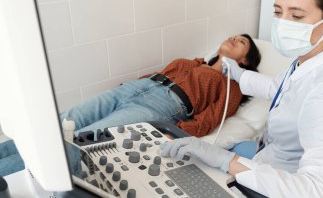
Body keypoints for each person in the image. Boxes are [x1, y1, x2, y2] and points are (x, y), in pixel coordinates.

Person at [160, 0, 323, 198]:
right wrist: (240, 75)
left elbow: (319, 190)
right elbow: (281, 89)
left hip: (284, 184)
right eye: (277, 11)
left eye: (296, 15)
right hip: (271, 154)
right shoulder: (315, 55)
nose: (282, 22)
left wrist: (227, 161)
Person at [60, 33, 261, 138]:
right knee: (69, 118)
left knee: (89, 137)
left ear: (244, 61)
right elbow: (162, 74)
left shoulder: (232, 86)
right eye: (234, 36)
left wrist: (174, 131)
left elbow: (209, 120)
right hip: (134, 88)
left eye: (241, 41)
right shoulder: (195, 62)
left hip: (163, 106)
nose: (234, 38)